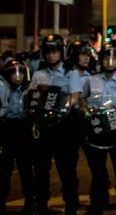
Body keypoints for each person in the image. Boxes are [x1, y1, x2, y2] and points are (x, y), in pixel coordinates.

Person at [29, 34, 82, 215]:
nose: (51, 55)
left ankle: (71, 205)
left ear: (61, 52)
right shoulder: (38, 73)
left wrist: (57, 101)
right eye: (48, 52)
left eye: (55, 51)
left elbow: (74, 98)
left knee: (67, 169)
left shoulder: (71, 72)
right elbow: (31, 98)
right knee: (41, 169)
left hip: (64, 127)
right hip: (43, 128)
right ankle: (41, 204)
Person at [81, 43, 116, 215]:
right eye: (106, 57)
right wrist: (87, 111)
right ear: (101, 59)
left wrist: (113, 112)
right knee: (97, 169)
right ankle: (97, 202)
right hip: (96, 130)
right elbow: (82, 99)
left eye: (113, 58)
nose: (109, 61)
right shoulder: (92, 79)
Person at [0, 60, 35, 214]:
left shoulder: (27, 90)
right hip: (6, 127)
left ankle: (29, 200)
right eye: (14, 73)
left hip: (23, 128)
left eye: (21, 73)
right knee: (4, 168)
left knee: (25, 167)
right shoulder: (3, 88)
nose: (18, 77)